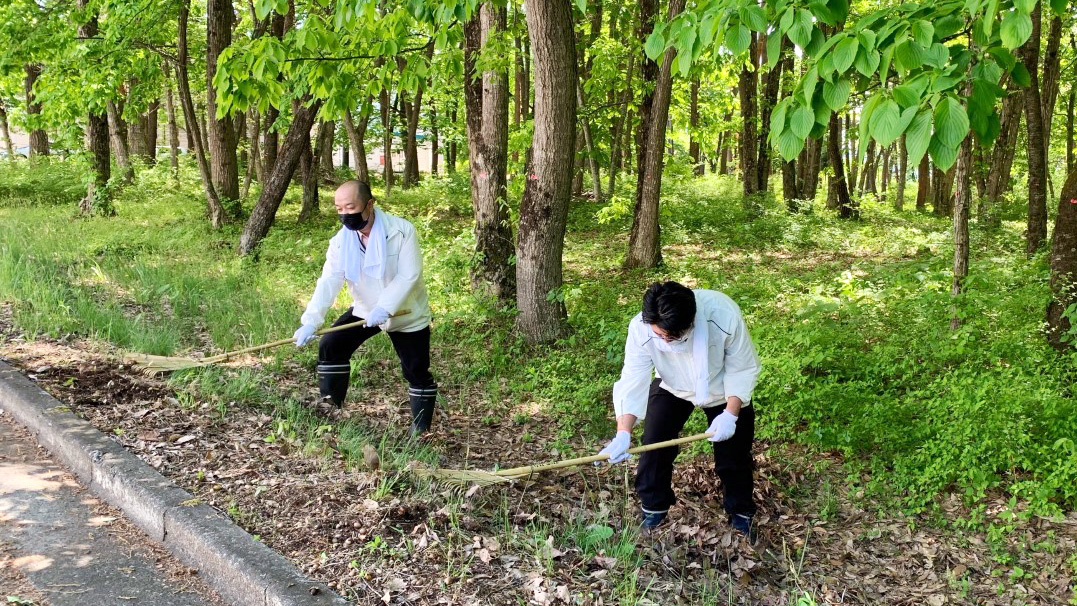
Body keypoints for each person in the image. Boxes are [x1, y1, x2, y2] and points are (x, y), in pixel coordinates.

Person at [597, 281, 761, 537]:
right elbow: (632, 378)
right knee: (654, 444)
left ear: (692, 321)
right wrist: (623, 433)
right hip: (672, 385)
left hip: (722, 387)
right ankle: (654, 506)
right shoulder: (640, 329)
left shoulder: (723, 314)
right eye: (660, 335)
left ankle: (740, 512)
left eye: (671, 337)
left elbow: (742, 367)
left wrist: (730, 414)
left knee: (734, 454)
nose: (665, 341)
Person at [292, 180, 438, 435]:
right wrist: (311, 320)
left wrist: (385, 307)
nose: (345, 214)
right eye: (339, 209)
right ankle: (331, 411)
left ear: (369, 204)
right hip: (364, 309)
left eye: (351, 206)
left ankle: (421, 429)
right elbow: (330, 280)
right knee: (331, 346)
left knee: (416, 369)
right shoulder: (340, 241)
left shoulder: (402, 231)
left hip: (406, 312)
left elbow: (408, 275)